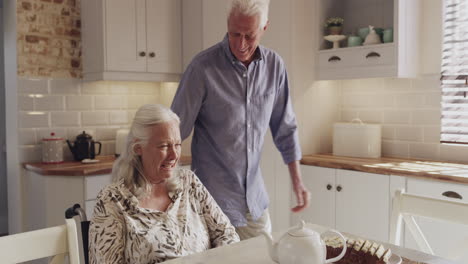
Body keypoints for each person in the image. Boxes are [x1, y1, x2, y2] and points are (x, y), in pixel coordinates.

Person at [171, 0, 310, 240]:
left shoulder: (274, 67)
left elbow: (285, 128)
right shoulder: (202, 68)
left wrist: (298, 182)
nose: (241, 44)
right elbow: (173, 131)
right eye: (235, 33)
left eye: (250, 35)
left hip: (254, 204)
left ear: (264, 28)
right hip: (211, 204)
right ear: (227, 25)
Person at [89, 104, 240, 264]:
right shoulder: (113, 200)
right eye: (164, 146)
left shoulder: (189, 183)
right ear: (138, 148)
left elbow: (226, 234)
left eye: (177, 144)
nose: (174, 155)